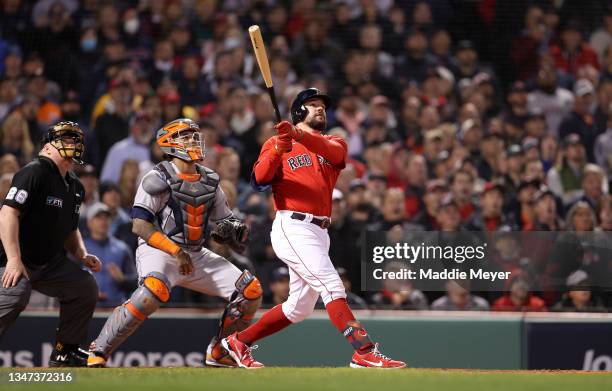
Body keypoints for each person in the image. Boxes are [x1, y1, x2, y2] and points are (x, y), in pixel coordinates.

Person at [221, 88, 405, 369]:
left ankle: (238, 342)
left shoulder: (334, 142)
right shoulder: (277, 142)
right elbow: (259, 179)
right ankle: (364, 351)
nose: (320, 109)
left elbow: (335, 153)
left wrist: (297, 136)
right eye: (312, 105)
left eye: (322, 105)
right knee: (332, 286)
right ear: (298, 112)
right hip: (292, 226)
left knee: (299, 307)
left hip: (320, 231)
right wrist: (279, 149)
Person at [87, 118, 262, 368]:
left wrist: (234, 232)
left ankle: (219, 350)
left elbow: (223, 220)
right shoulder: (157, 176)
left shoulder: (211, 180)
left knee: (250, 291)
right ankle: (100, 348)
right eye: (186, 136)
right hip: (159, 249)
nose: (194, 140)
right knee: (152, 292)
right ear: (169, 143)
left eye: (195, 136)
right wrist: (175, 251)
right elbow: (140, 225)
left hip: (194, 253)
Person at [0, 121, 101, 366]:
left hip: (50, 263)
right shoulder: (34, 171)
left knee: (84, 287)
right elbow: (8, 213)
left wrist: (82, 254)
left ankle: (65, 351)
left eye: (75, 139)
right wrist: (14, 259)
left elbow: (71, 228)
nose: (73, 144)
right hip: (14, 258)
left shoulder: (75, 185)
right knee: (15, 294)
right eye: (66, 139)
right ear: (46, 146)